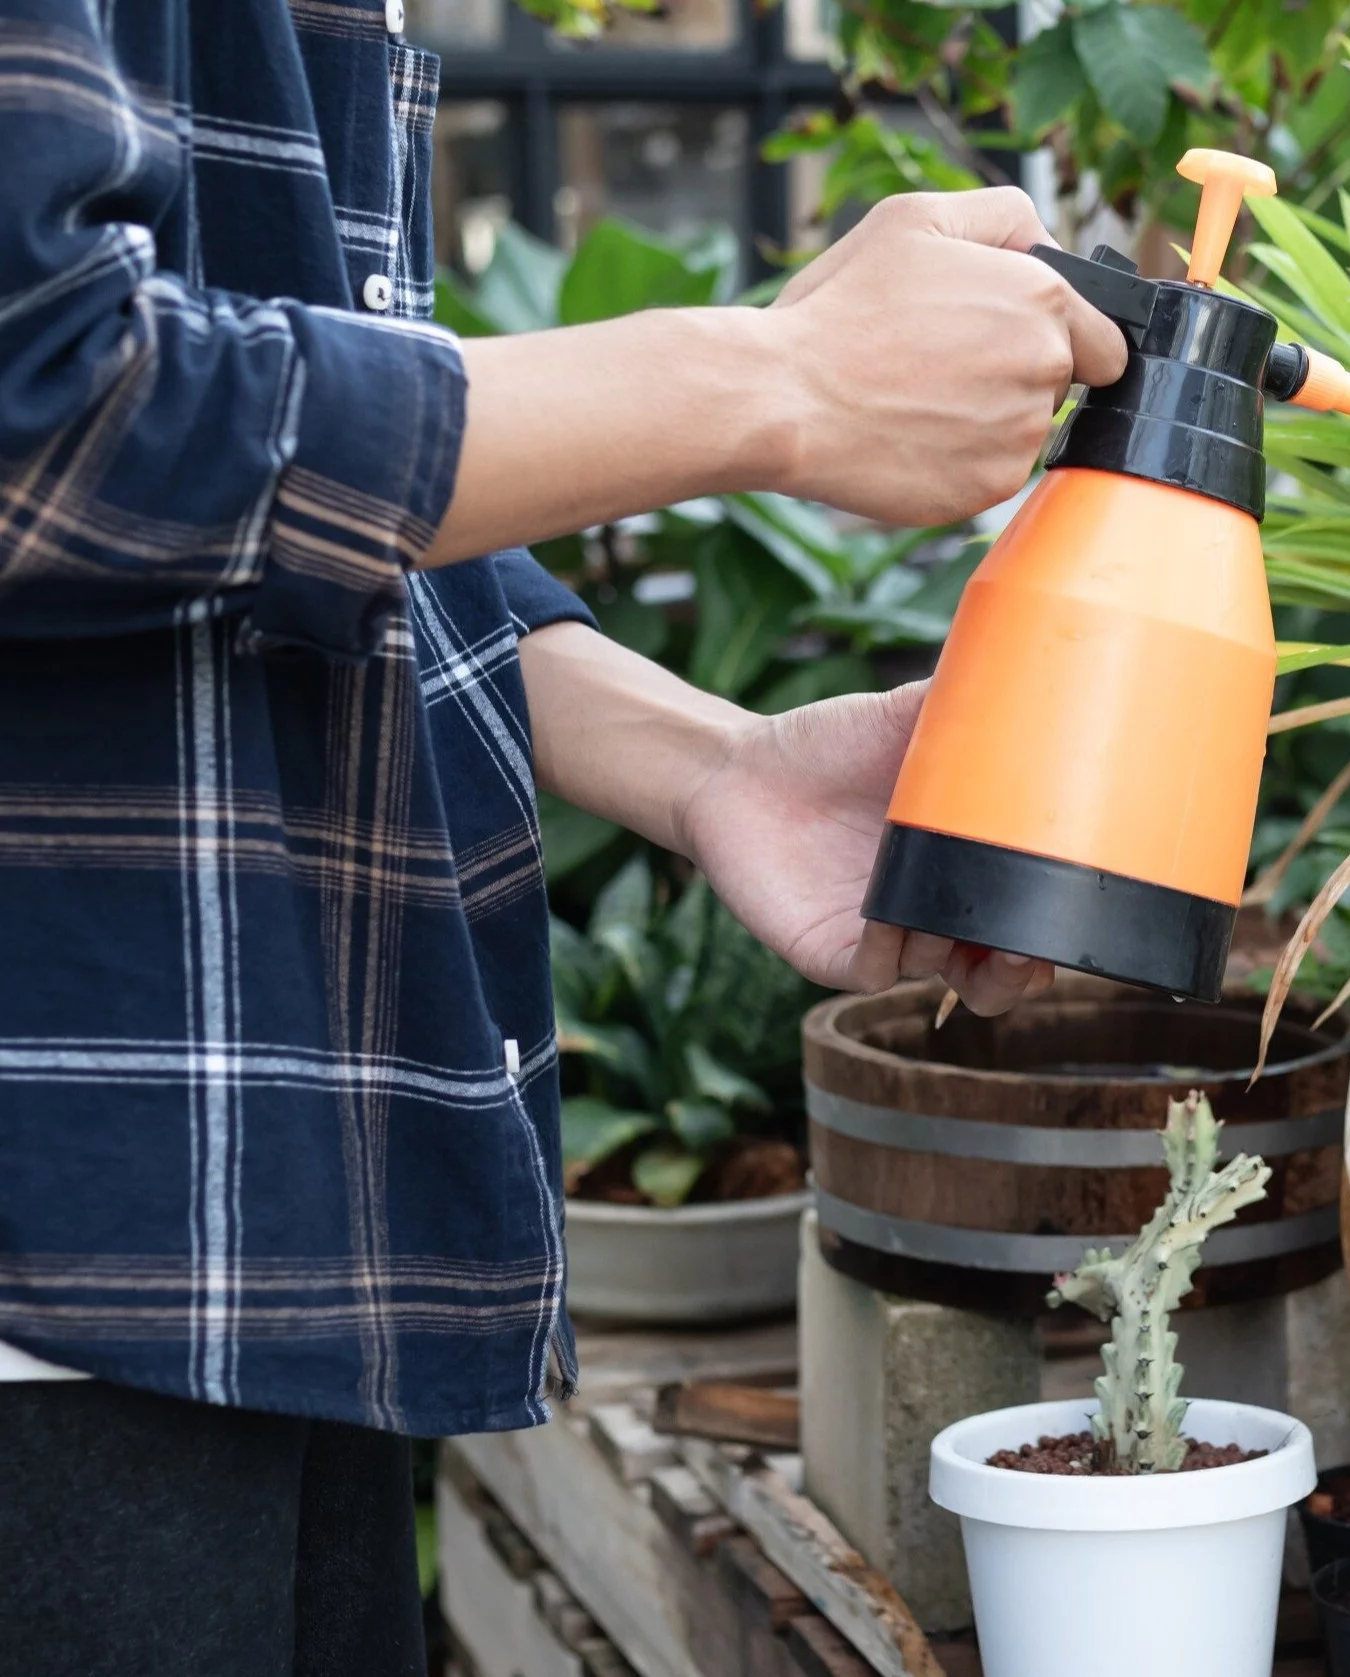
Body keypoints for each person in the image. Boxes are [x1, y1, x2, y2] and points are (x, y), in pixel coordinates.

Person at [0, 1, 1128, 1671]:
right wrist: (773, 378)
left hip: (250, 1207)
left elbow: (301, 470)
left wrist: (716, 765)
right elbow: (48, 403)